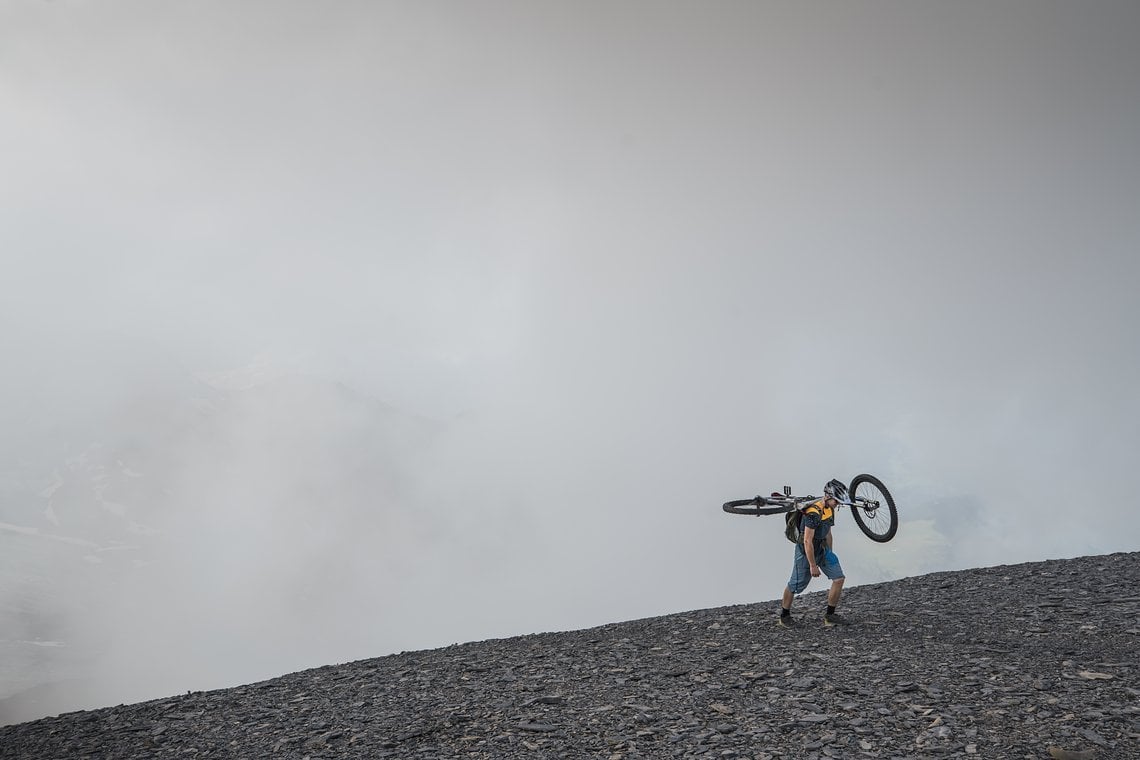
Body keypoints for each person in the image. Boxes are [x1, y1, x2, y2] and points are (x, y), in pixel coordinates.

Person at [778, 478, 850, 627]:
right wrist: (812, 565)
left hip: (822, 549)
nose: (838, 504)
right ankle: (784, 617)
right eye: (836, 500)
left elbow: (828, 532)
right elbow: (807, 541)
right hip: (806, 552)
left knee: (839, 578)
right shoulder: (813, 513)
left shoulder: (829, 510)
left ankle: (830, 616)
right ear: (828, 496)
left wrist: (829, 553)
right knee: (796, 584)